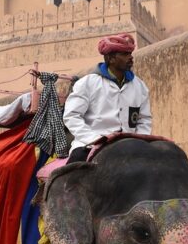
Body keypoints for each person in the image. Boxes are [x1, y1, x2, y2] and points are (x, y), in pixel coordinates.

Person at [63, 33, 152, 162]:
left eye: (130, 53)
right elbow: (71, 116)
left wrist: (138, 141)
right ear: (110, 58)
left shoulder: (140, 86)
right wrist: (95, 139)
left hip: (129, 147)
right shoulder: (87, 83)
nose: (131, 58)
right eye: (125, 54)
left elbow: (144, 119)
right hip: (90, 146)